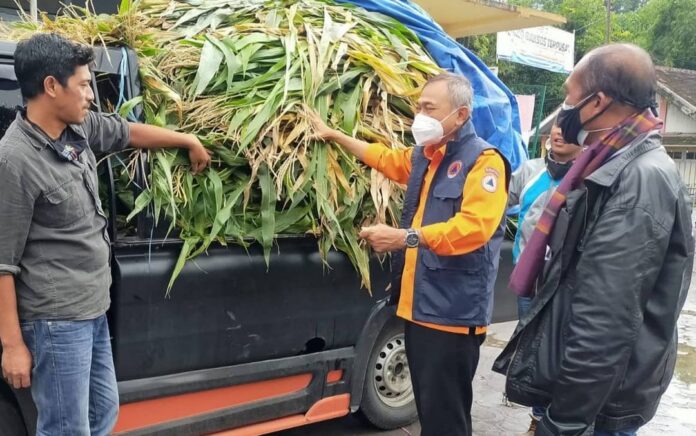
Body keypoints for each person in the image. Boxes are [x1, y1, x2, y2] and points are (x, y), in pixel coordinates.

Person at [0, 33, 211, 435]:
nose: (90, 96)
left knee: (102, 413)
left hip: (93, 309)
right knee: (66, 428)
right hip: (56, 321)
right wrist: (12, 346)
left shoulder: (75, 130)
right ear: (51, 86)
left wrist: (187, 140)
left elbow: (129, 133)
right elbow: (2, 263)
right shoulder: (14, 161)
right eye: (83, 85)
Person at [494, 43, 694, 436]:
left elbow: (605, 320)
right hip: (592, 396)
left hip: (600, 406)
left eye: (569, 96)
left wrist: (564, 422)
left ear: (598, 102)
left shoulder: (638, 179)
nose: (565, 109)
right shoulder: (608, 162)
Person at [309, 72, 510, 436]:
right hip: (420, 308)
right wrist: (337, 136)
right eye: (419, 107)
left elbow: (475, 228)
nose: (420, 115)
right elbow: (385, 159)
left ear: (461, 115)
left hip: (451, 314)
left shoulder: (484, 162)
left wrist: (405, 238)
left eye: (429, 108)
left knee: (446, 418)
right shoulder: (428, 157)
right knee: (431, 412)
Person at [507, 125, 581, 435]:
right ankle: (538, 418)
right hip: (530, 283)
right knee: (535, 352)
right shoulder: (529, 172)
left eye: (568, 129)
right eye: (555, 128)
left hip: (567, 288)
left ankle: (561, 418)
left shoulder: (587, 177)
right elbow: (495, 200)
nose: (558, 133)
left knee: (564, 353)